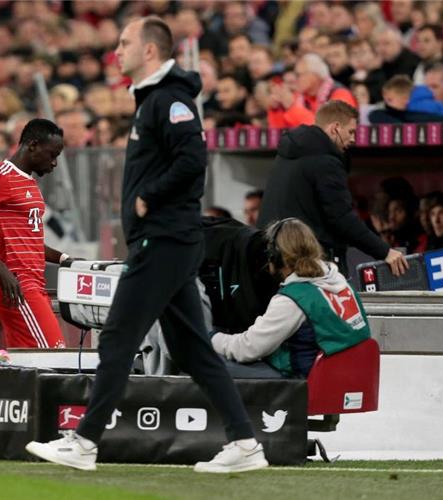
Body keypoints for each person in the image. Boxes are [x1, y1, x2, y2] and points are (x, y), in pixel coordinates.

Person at [25, 16, 267, 474]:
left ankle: (85, 442)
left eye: (124, 43)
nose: (116, 51)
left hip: (164, 241)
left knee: (118, 336)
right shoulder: (154, 99)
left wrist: (147, 198)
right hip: (167, 242)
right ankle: (245, 443)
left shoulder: (170, 101)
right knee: (193, 351)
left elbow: (193, 161)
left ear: (150, 51)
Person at [257, 100, 408, 278]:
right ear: (335, 128)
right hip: (310, 262)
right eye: (351, 132)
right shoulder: (326, 161)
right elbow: (341, 217)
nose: (353, 139)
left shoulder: (286, 155)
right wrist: (384, 251)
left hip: (275, 258)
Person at [211, 218, 371, 378]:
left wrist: (211, 338)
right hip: (351, 378)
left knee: (219, 368)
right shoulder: (341, 282)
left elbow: (247, 349)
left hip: (309, 381)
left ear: (275, 256)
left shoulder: (292, 300)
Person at [0, 119, 69, 349]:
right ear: (33, 145)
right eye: (52, 155)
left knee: (26, 364)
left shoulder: (29, 183)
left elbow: (29, 243)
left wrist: (65, 259)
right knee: (54, 352)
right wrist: (2, 270)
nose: (54, 163)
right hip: (18, 286)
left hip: (32, 284)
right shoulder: (0, 178)